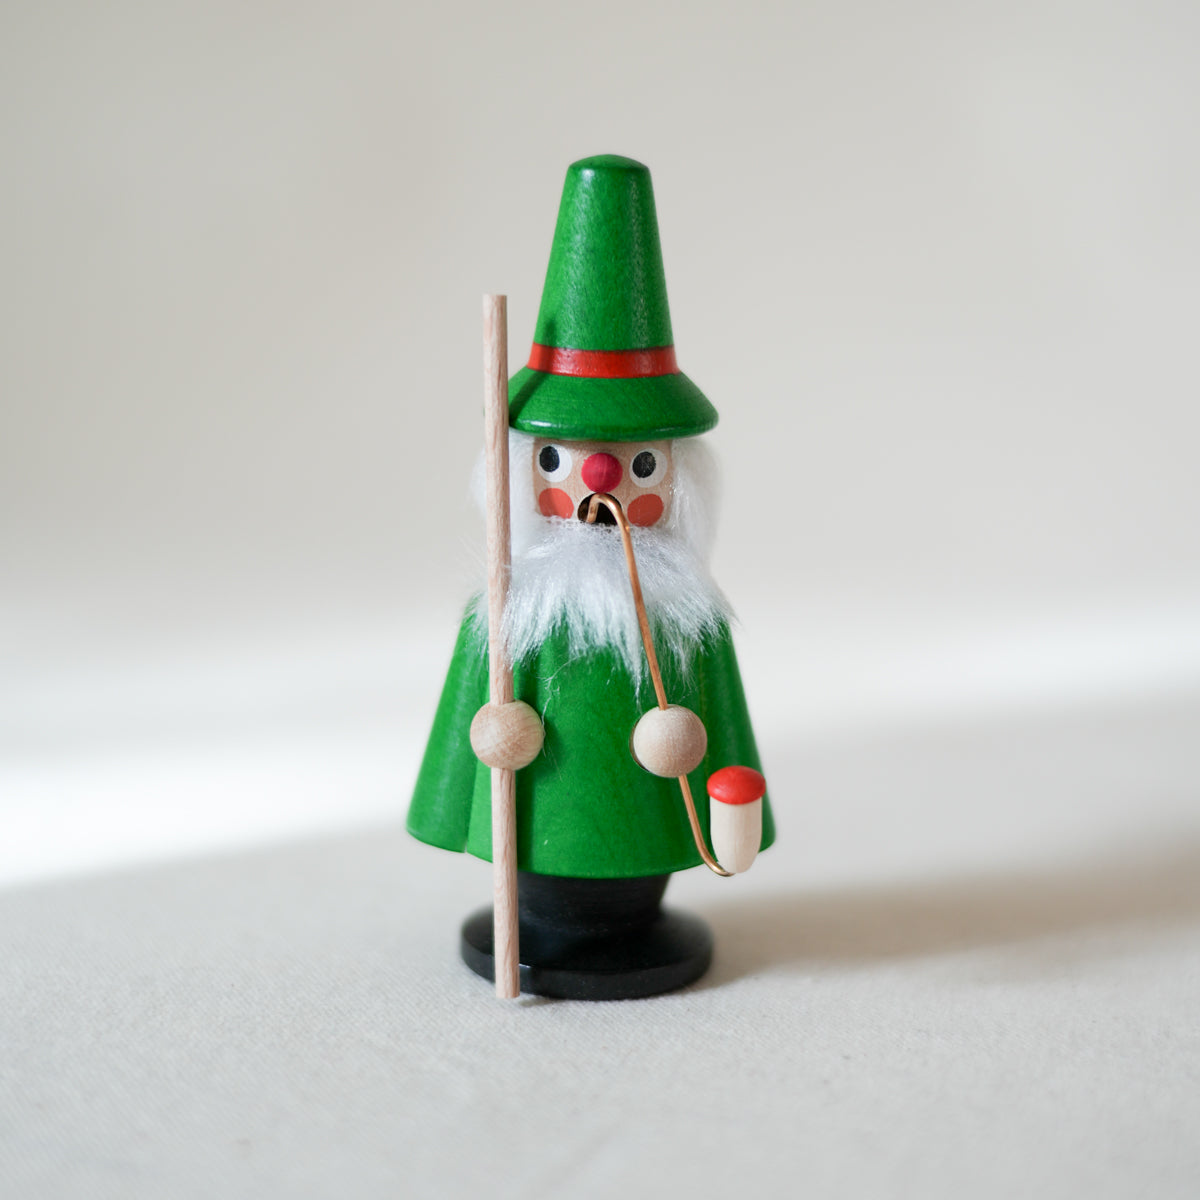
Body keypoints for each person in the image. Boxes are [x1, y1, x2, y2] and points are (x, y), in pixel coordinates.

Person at [407, 155, 774, 998]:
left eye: (639, 463)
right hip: (528, 856)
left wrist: (730, 805)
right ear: (519, 472)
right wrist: (487, 734)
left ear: (679, 479)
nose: (600, 479)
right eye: (560, 459)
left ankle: (631, 916)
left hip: (653, 836)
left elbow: (725, 745)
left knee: (638, 851)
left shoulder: (686, 622)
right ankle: (544, 916)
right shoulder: (507, 611)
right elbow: (462, 745)